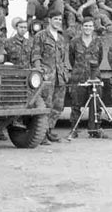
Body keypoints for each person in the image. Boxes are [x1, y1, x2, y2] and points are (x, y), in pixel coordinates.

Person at [31, 12, 71, 145]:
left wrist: (65, 71)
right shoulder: (41, 35)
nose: (58, 21)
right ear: (49, 20)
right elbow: (36, 55)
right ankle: (41, 135)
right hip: (47, 76)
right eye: (55, 19)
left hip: (60, 77)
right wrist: (39, 70)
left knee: (58, 106)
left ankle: (49, 130)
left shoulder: (61, 38)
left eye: (60, 19)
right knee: (46, 105)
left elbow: (63, 58)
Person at [68, 18, 106, 139]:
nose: (88, 28)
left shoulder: (98, 42)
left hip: (94, 76)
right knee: (76, 104)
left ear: (93, 28)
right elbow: (71, 58)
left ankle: (94, 129)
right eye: (85, 26)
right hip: (78, 76)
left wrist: (92, 71)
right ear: (81, 27)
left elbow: (100, 58)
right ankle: (74, 129)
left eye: (90, 26)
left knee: (95, 104)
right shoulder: (74, 42)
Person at [0, 17, 33, 140]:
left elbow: (33, 59)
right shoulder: (8, 42)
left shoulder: (30, 43)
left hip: (25, 79)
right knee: (8, 106)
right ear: (16, 28)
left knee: (26, 105)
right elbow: (2, 61)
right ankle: (0, 128)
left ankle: (12, 127)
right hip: (11, 80)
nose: (23, 29)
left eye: (25, 28)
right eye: (21, 27)